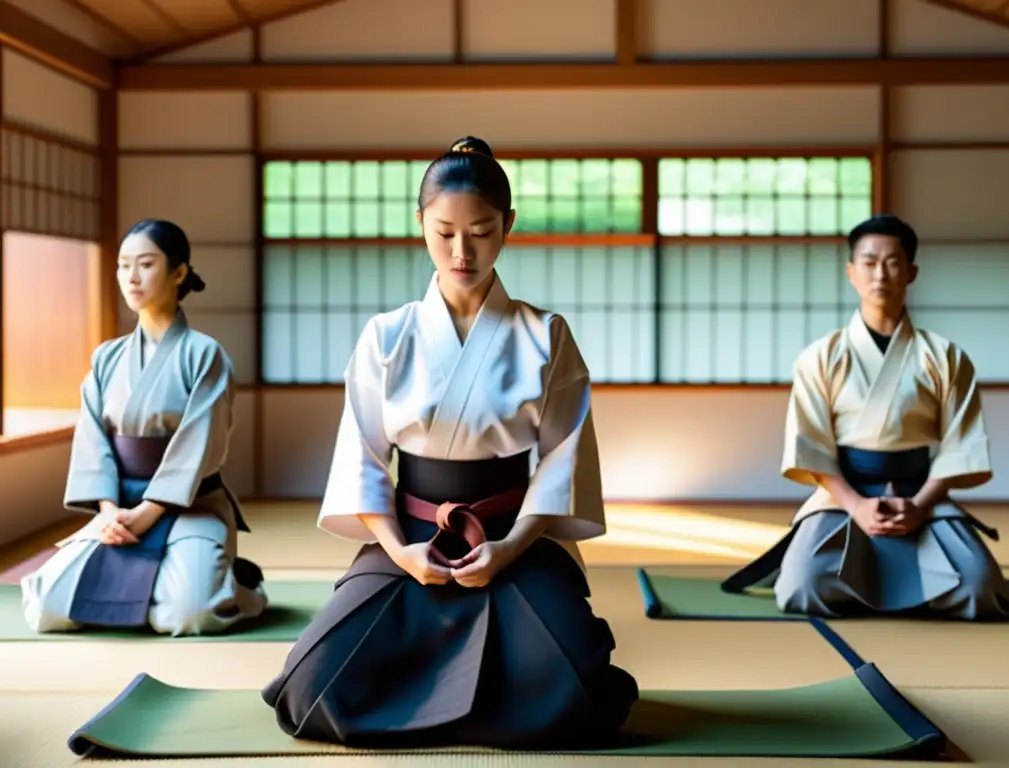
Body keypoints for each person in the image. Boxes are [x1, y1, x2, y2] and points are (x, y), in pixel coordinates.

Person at [261, 137, 638, 749]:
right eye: (444, 233)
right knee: (312, 690)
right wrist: (399, 551)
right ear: (420, 226)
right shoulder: (388, 335)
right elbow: (362, 458)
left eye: (482, 231)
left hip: (514, 536)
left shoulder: (546, 334)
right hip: (409, 538)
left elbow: (563, 459)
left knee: (584, 691)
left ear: (508, 226)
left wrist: (511, 547)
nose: (462, 252)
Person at [722, 214, 1009, 620]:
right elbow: (810, 445)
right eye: (868, 261)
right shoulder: (821, 356)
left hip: (921, 494)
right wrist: (856, 505)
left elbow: (959, 446)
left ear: (912, 272)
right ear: (851, 272)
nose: (880, 273)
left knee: (979, 590)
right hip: (842, 492)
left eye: (893, 261)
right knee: (801, 589)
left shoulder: (946, 357)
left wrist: (917, 505)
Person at [21, 219, 268, 636]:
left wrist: (147, 514)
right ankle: (185, 575)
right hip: (119, 507)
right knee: (46, 607)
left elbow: (199, 445)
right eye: (122, 265)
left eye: (146, 264)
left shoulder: (204, 355)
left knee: (187, 616)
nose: (131, 276)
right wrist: (109, 510)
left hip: (189, 504)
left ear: (178, 273)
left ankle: (244, 587)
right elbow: (92, 440)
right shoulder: (107, 358)